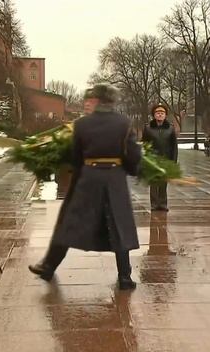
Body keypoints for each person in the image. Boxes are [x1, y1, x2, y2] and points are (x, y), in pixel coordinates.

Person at [29, 84, 142, 290]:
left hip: (89, 178)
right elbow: (133, 156)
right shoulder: (124, 123)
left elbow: (76, 157)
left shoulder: (82, 124)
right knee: (119, 225)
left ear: (98, 101)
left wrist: (79, 178)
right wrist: (128, 170)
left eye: (90, 99)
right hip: (115, 179)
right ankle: (125, 277)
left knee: (70, 223)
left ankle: (48, 266)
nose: (87, 103)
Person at [141, 103, 178, 211]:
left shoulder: (170, 128)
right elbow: (144, 144)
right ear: (154, 115)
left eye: (162, 113)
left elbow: (174, 146)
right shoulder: (148, 128)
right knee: (153, 182)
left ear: (165, 115)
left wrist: (173, 161)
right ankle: (154, 204)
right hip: (152, 159)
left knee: (163, 182)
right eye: (157, 113)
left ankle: (162, 203)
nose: (160, 114)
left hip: (165, 159)